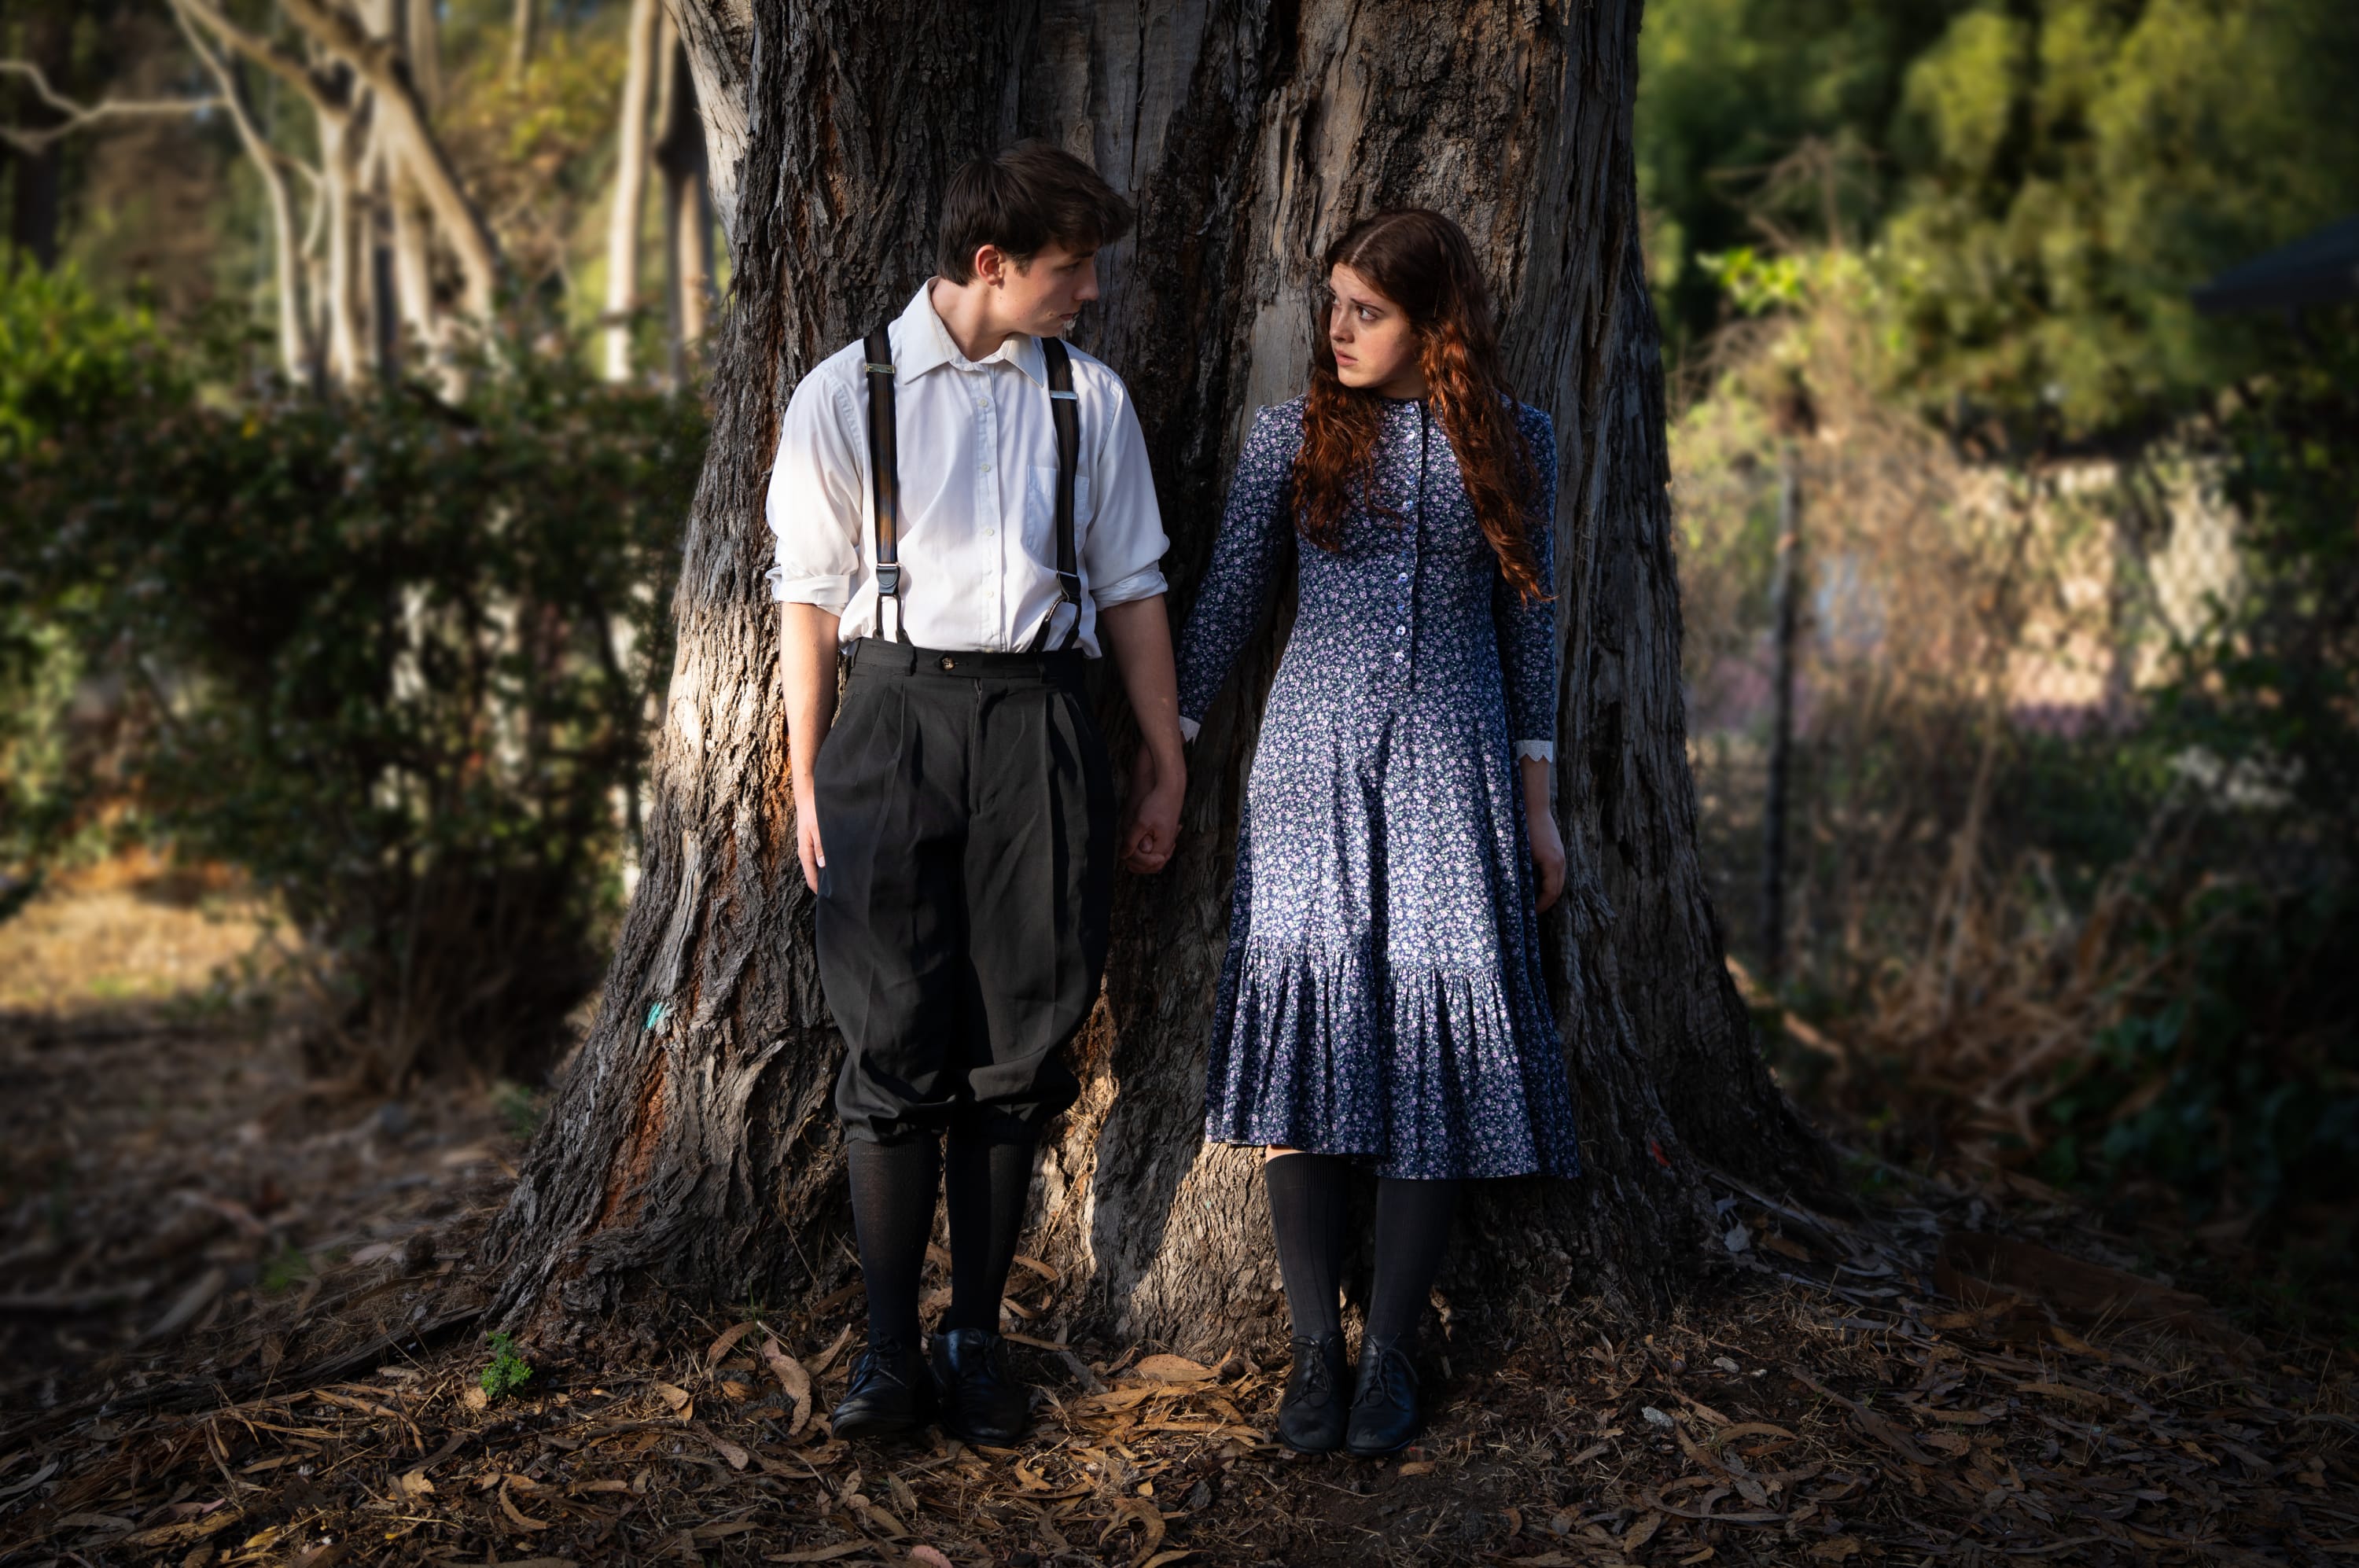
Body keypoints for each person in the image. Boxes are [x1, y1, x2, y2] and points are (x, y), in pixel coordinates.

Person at [767, 142, 1188, 1446]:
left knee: (1020, 1046)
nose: (1093, 292)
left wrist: (1164, 752)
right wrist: (805, 771)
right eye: (1073, 269)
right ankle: (888, 1354)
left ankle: (977, 1337)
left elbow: (1130, 586)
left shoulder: (1088, 400)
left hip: (1043, 727)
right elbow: (810, 600)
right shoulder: (848, 393)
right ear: (993, 267)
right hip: (890, 724)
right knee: (891, 1043)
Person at [1172, 208, 1580, 1458]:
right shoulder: (1292, 432)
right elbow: (1235, 589)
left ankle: (1392, 1356)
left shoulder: (1518, 439)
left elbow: (1529, 623)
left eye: (1367, 310)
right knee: (1308, 1037)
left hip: (1456, 768)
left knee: (1433, 1064)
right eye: (1333, 302)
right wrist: (1169, 740)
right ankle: (1312, 1355)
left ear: (1432, 324)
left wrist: (1539, 797)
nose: (1337, 328)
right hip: (1309, 765)